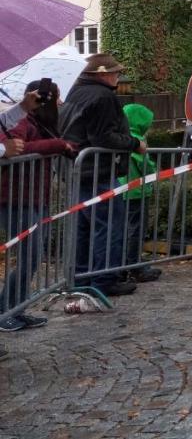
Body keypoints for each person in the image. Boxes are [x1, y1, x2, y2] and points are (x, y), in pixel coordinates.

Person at [59, 53, 145, 297]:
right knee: (109, 227)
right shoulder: (103, 96)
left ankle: (81, 277)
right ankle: (104, 279)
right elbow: (104, 137)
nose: (118, 76)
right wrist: (134, 143)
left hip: (78, 170)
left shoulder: (75, 92)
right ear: (103, 74)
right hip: (97, 171)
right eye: (116, 72)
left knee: (84, 228)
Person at [0, 81, 75, 332]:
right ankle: (6, 311)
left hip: (33, 197)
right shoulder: (24, 121)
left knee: (32, 257)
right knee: (29, 257)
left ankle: (15, 309)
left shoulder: (33, 120)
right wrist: (55, 145)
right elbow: (16, 149)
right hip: (17, 198)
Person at [116, 103, 162, 283]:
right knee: (135, 229)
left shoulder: (122, 136)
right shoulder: (135, 140)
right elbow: (145, 166)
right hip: (135, 191)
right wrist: (153, 171)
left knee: (123, 229)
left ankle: (127, 263)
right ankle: (133, 265)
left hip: (123, 190)